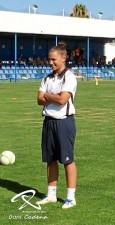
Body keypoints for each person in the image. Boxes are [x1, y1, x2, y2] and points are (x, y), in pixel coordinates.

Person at [36, 42, 78, 209]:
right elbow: (39, 100)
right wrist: (51, 95)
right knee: (50, 159)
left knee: (67, 160)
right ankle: (51, 195)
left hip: (64, 122)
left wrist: (47, 95)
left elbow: (62, 100)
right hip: (49, 122)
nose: (51, 62)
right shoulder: (47, 78)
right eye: (49, 60)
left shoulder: (69, 77)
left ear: (63, 58)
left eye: (53, 59)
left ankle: (70, 198)